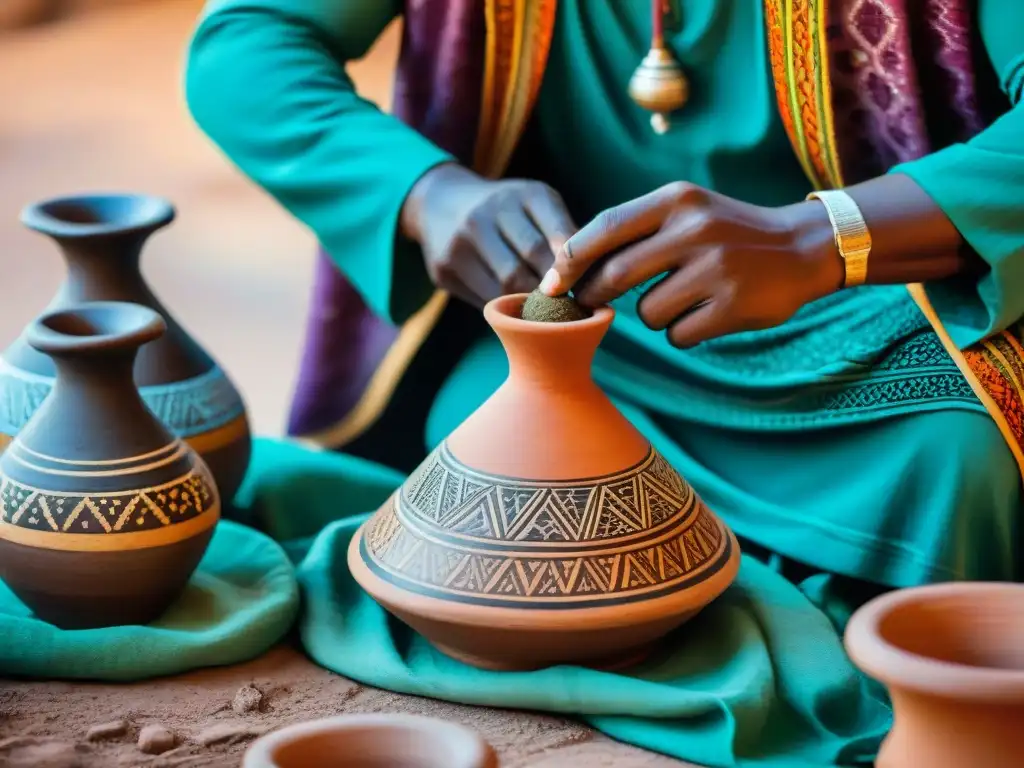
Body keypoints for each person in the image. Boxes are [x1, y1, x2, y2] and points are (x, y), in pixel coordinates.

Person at [184, 0, 1024, 615]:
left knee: (955, 457)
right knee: (483, 435)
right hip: (597, 341)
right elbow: (243, 42)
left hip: (884, 318)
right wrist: (427, 193)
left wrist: (819, 239)